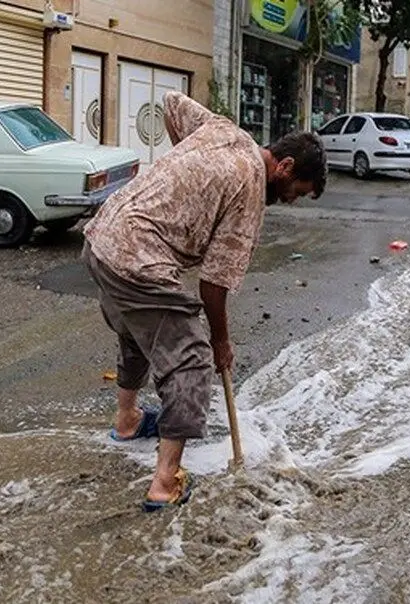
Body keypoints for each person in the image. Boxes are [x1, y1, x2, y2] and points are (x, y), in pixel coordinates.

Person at [82, 91, 326, 511]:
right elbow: (213, 285)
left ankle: (127, 422)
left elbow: (171, 101)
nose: (291, 200)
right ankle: (164, 483)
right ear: (284, 168)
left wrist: (190, 174)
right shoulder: (250, 189)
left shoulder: (222, 131)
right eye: (296, 192)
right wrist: (221, 342)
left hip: (102, 239)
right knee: (190, 360)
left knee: (139, 332)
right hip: (138, 259)